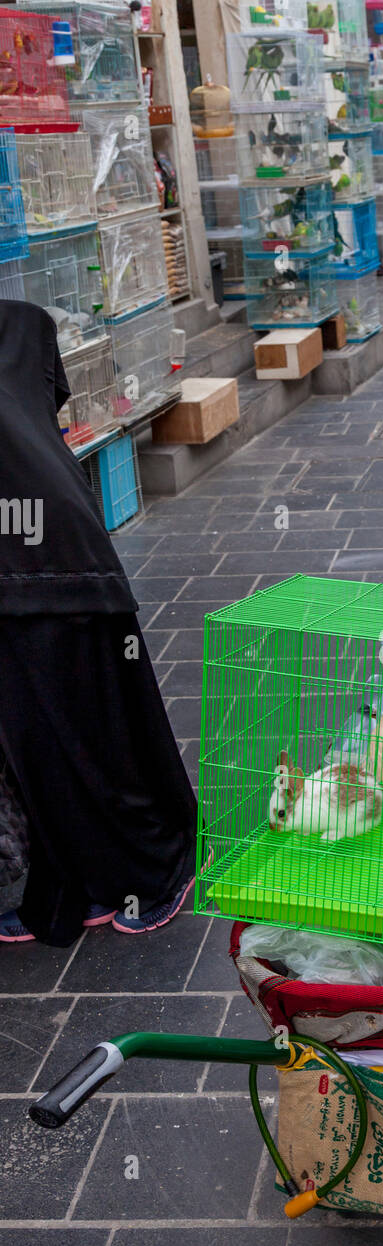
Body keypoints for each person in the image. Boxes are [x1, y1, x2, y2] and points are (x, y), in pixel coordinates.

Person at [0, 302, 199, 947]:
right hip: (48, 565)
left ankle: (156, 870)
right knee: (44, 744)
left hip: (53, 576)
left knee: (98, 733)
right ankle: (84, 876)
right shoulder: (25, 344)